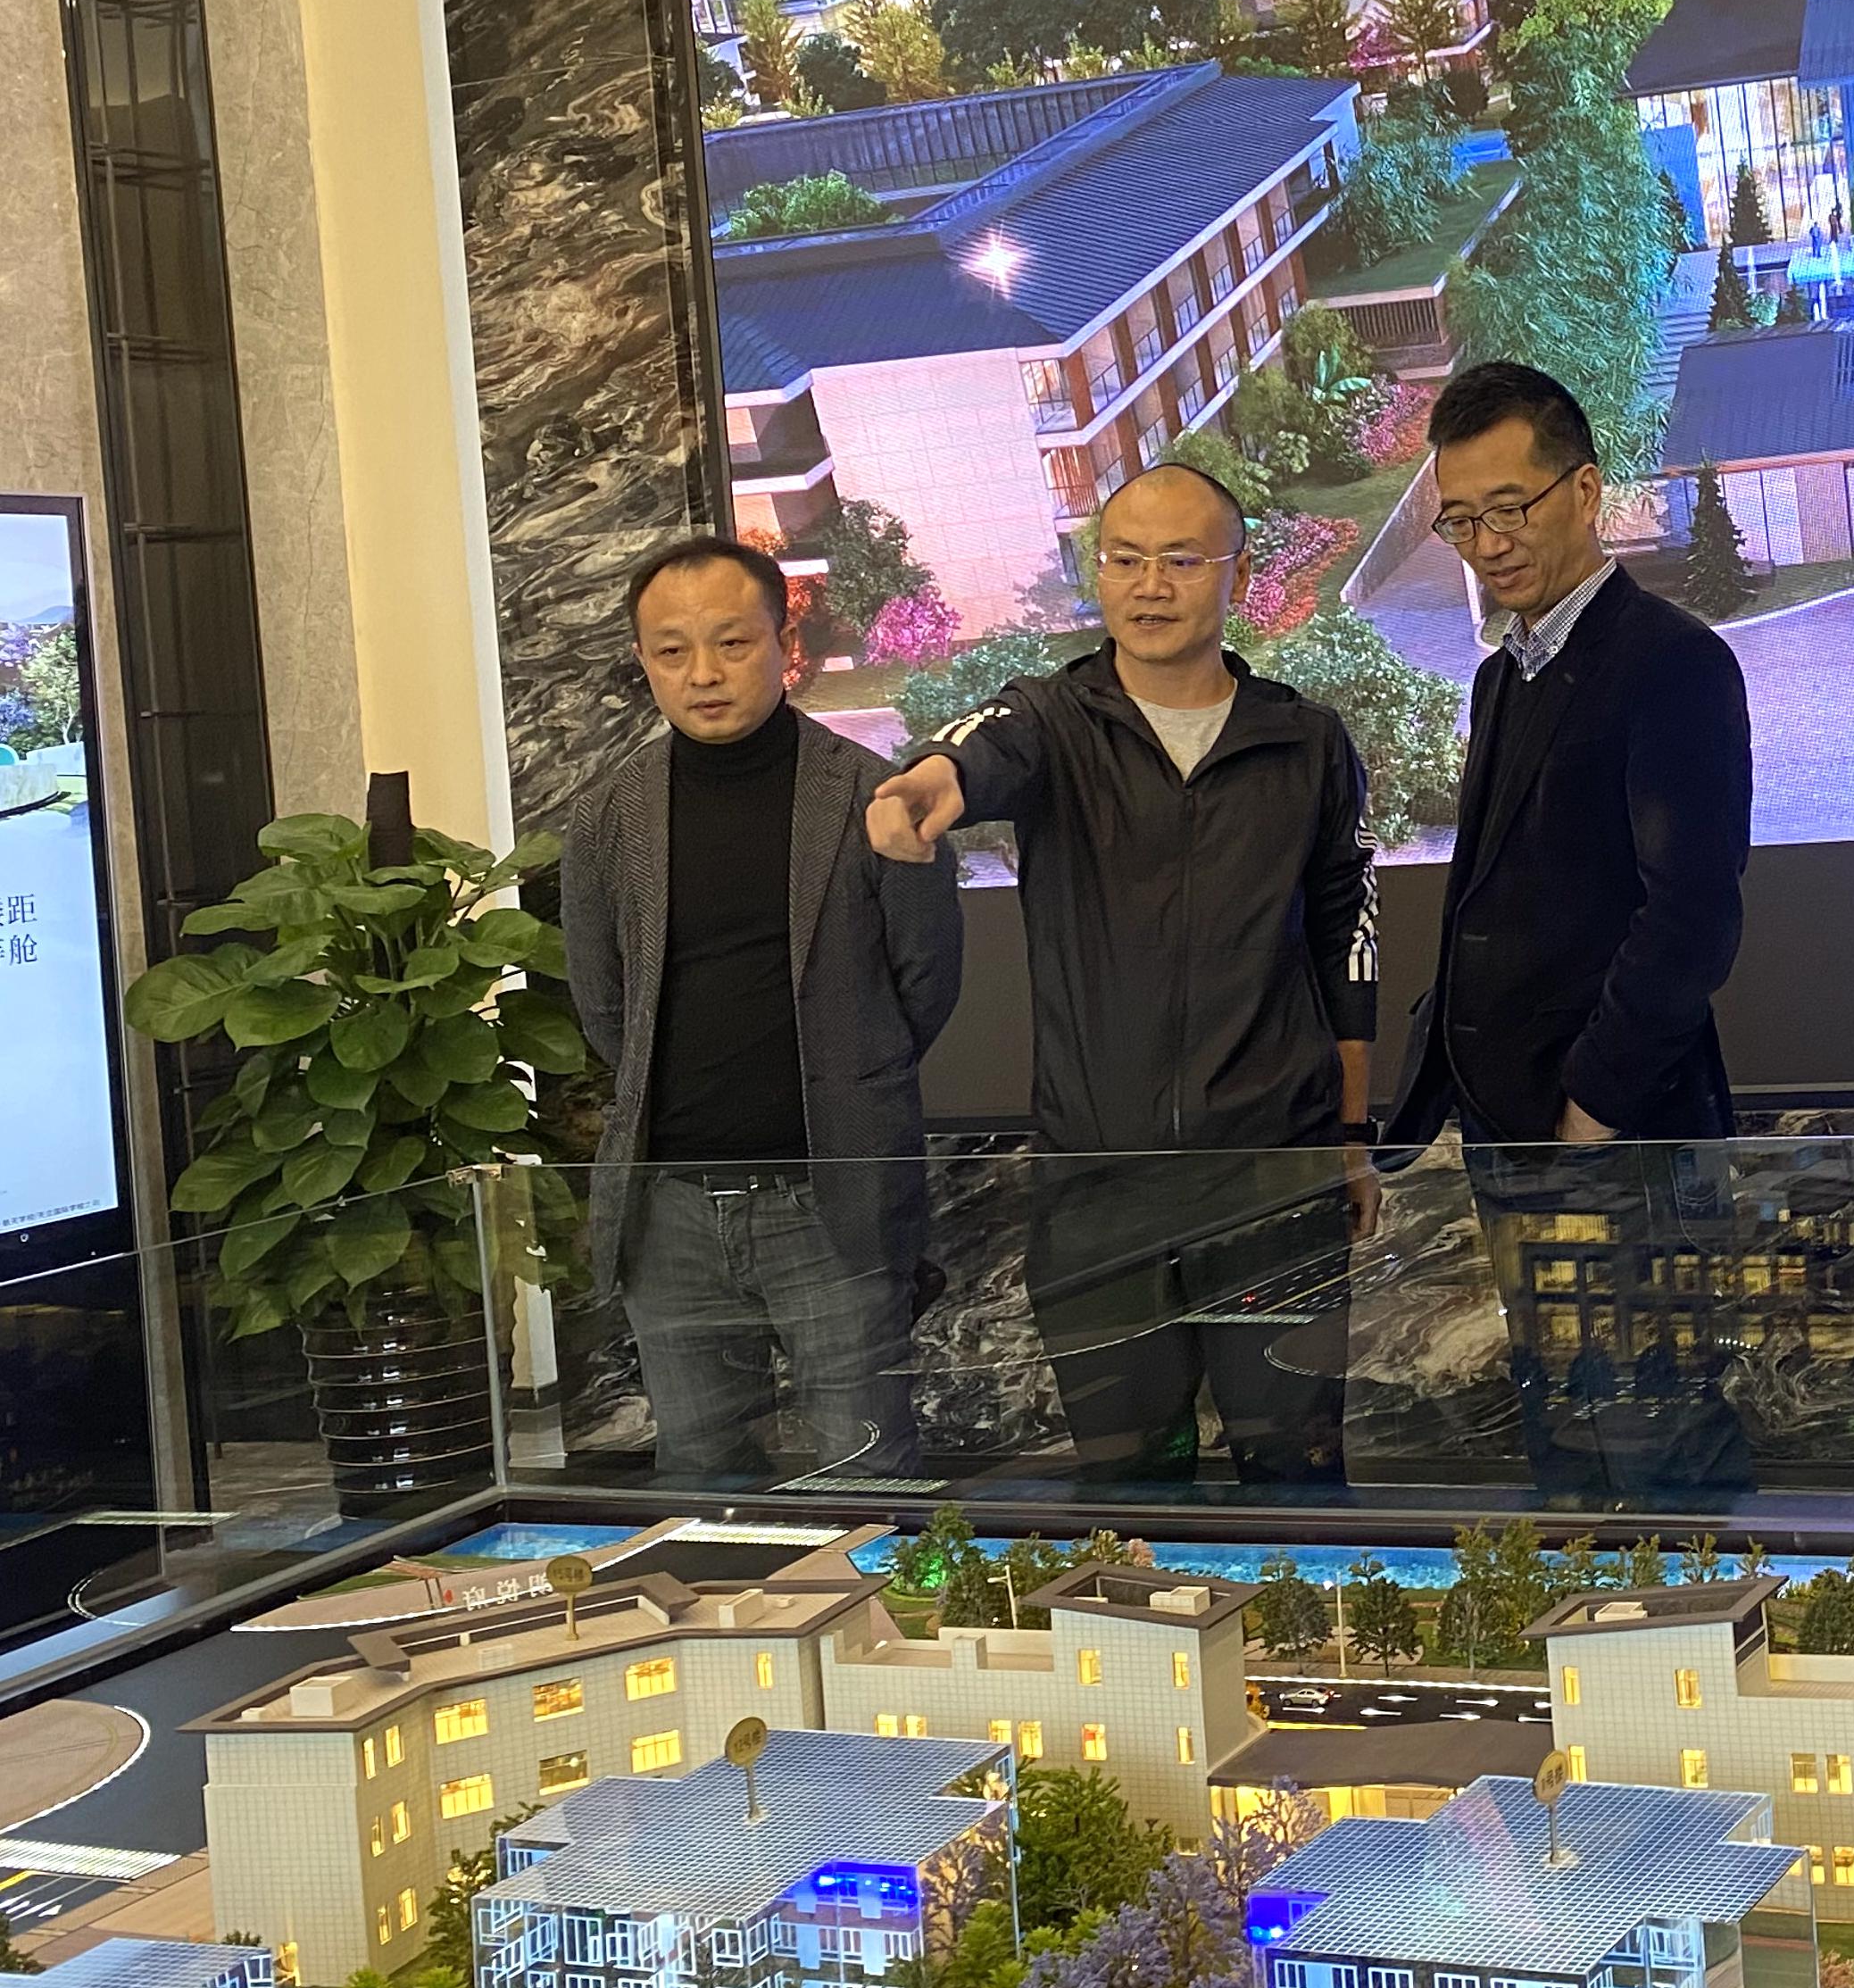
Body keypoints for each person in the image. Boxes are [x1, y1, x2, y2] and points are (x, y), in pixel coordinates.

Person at [869, 462, 1377, 1484]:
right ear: (1098, 573)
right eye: (1125, 559)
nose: (1150, 585)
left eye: (1181, 561)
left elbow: (1347, 940)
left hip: (1272, 1174)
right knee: (1129, 1485)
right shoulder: (1050, 721)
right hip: (1097, 1187)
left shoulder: (1306, 742)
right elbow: (968, 751)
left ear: (1237, 573)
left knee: (1296, 1470)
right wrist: (922, 786)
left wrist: (1351, 1137)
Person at [565, 537, 960, 1481]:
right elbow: (606, 1006)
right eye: (671, 651)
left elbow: (925, 985)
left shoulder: (871, 796)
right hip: (670, 1214)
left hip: (831, 1202)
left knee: (866, 1474)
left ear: (784, 643)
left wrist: (851, 1079)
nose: (702, 673)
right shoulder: (609, 813)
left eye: (731, 643)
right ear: (643, 660)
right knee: (701, 1481)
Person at [1385, 359, 1753, 1152]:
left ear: (1585, 492)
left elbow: (1692, 919)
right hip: (1504, 1122)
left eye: (1510, 509)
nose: (1489, 545)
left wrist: (1590, 1111)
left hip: (1618, 1133)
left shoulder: (1673, 662)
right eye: (1461, 521)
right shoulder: (1498, 676)